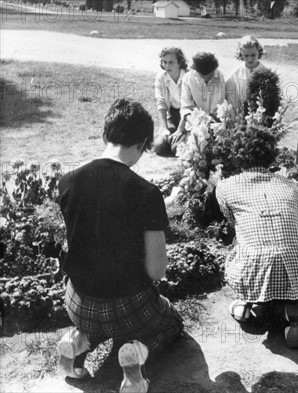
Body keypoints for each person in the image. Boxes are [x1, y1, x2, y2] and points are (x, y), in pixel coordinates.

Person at [56, 98, 183, 393]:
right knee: (170, 323)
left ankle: (77, 344)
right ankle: (136, 355)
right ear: (142, 145)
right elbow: (157, 270)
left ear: (104, 135)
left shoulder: (67, 182)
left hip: (77, 302)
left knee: (99, 324)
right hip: (127, 304)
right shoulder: (147, 193)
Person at [215, 127, 298, 348]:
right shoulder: (291, 186)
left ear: (238, 155)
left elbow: (232, 221)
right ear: (271, 155)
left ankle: (247, 304)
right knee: (286, 247)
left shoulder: (226, 187)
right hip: (295, 271)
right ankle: (292, 312)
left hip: (254, 271)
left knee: (243, 245)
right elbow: (294, 218)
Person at [153, 47, 189, 157]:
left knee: (176, 149)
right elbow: (161, 103)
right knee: (160, 148)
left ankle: (185, 137)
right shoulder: (161, 77)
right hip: (172, 117)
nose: (167, 66)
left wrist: (180, 130)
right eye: (164, 62)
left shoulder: (189, 77)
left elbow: (189, 107)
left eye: (171, 62)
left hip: (188, 118)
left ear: (180, 63)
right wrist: (164, 128)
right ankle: (165, 134)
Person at [180, 52, 234, 124]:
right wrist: (195, 123)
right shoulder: (188, 78)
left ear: (215, 68)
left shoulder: (227, 80)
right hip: (195, 123)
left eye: (210, 76)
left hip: (221, 123)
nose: (207, 79)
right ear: (195, 70)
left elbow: (233, 110)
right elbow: (186, 108)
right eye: (202, 76)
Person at [226, 35, 267, 115]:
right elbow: (225, 90)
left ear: (259, 52)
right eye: (246, 55)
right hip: (240, 115)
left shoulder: (266, 72)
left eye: (253, 55)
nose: (250, 59)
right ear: (241, 54)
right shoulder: (235, 73)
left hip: (260, 115)